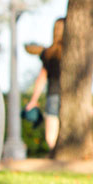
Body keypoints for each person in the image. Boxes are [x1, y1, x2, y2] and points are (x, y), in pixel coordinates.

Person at [23, 17, 65, 152]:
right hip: (70, 96)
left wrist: (34, 100)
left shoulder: (48, 53)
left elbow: (41, 79)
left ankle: (55, 155)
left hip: (53, 95)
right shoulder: (73, 53)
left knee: (51, 136)